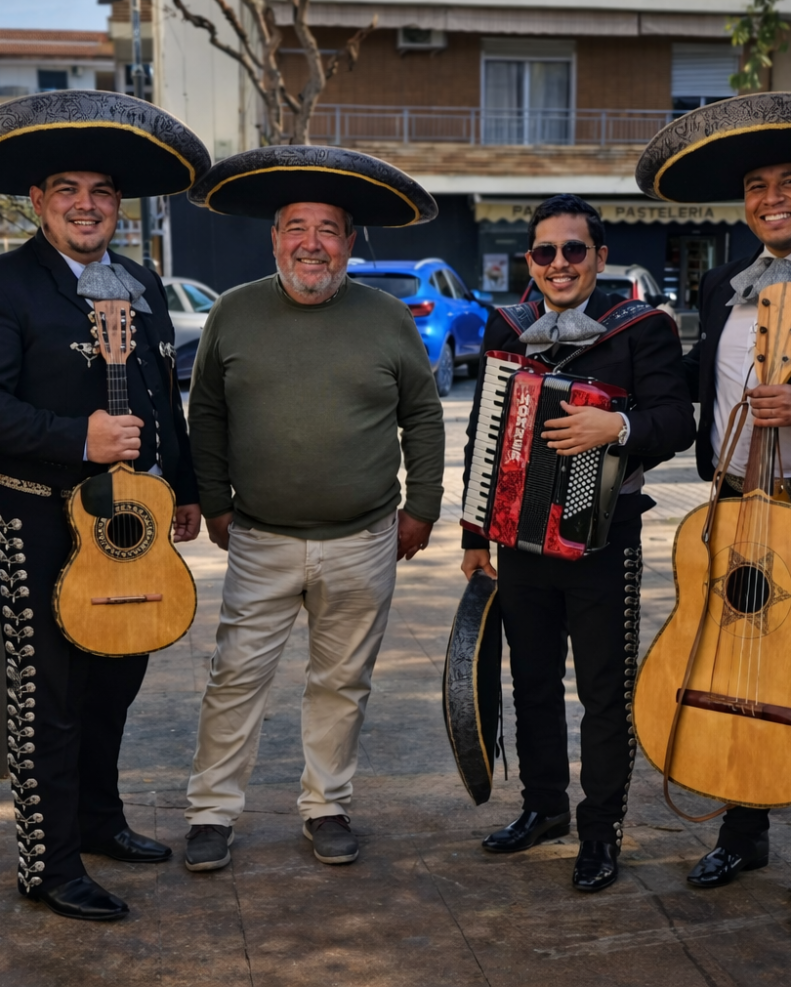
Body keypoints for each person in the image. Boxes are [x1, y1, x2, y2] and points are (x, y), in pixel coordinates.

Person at [0, 91, 210, 921]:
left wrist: (187, 487)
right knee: (47, 696)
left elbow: (165, 395)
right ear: (38, 202)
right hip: (34, 519)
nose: (85, 205)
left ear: (117, 206)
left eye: (100, 191)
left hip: (132, 525)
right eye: (66, 189)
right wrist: (76, 437)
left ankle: (98, 821)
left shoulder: (143, 283)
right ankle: (47, 864)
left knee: (116, 678)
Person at [181, 145, 445, 871]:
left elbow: (422, 414)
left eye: (329, 229)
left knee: (341, 682)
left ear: (350, 243)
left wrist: (423, 504)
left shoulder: (388, 318)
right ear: (274, 239)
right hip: (260, 537)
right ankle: (212, 813)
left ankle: (327, 805)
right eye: (297, 227)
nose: (312, 243)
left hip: (364, 539)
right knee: (235, 678)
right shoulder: (233, 314)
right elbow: (205, 415)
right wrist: (214, 501)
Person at [461, 194, 695, 892]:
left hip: (604, 539)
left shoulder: (642, 327)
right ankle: (543, 809)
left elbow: (675, 421)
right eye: (544, 253)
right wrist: (476, 533)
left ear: (598, 256)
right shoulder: (509, 327)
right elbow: (486, 433)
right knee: (530, 682)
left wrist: (614, 427)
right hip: (519, 541)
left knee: (603, 692)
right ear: (530, 261)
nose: (558, 265)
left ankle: (601, 833)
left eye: (572, 251)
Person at [636, 93, 791, 889]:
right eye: (758, 184)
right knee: (742, 655)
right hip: (738, 490)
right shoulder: (725, 280)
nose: (772, 197)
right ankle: (743, 828)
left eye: (788, 179)